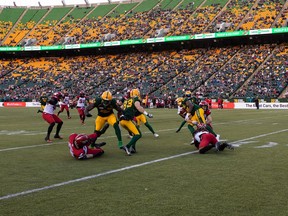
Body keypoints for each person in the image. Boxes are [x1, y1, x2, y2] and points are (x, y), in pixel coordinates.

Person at [118, 88, 154, 155]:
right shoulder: (135, 99)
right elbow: (139, 107)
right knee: (138, 135)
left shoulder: (127, 100)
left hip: (122, 121)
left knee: (136, 132)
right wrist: (147, 114)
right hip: (127, 120)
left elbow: (120, 108)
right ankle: (127, 146)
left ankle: (133, 148)